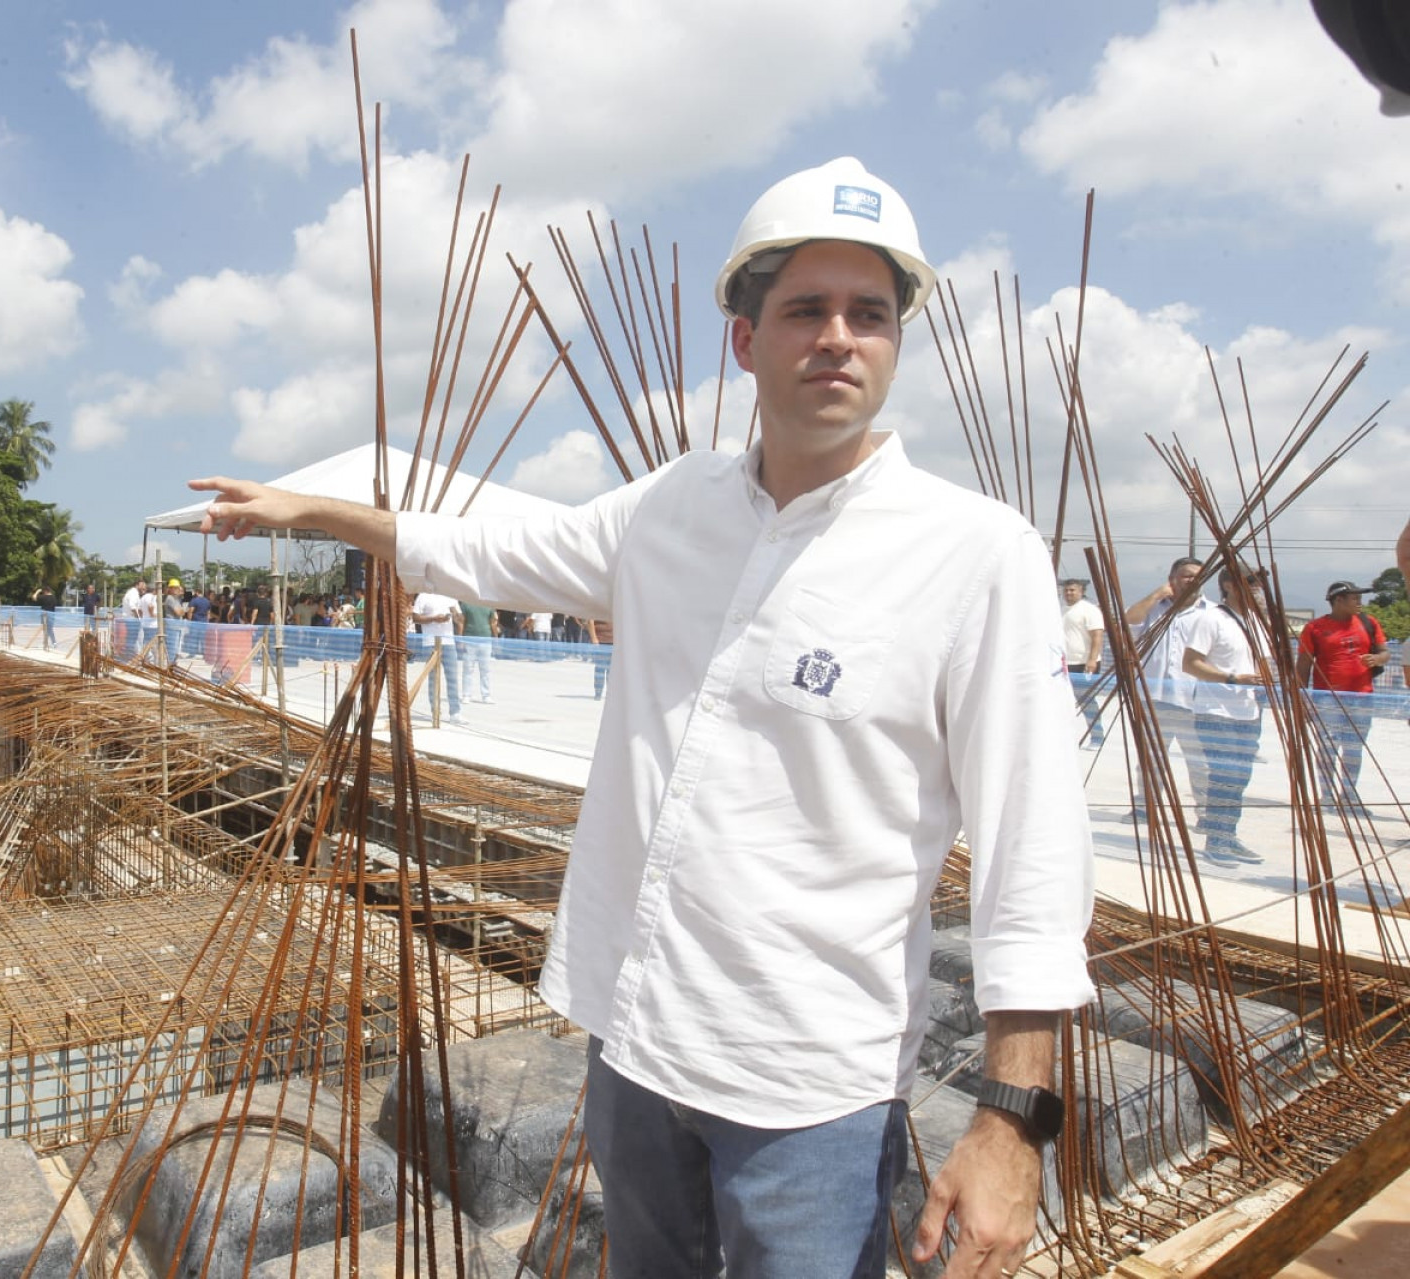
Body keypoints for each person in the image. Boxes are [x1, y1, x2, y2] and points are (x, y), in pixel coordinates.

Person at [189, 156, 1092, 1279]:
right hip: (637, 1045)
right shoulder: (671, 507)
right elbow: (482, 551)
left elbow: (1033, 851)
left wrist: (1012, 1120)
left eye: (871, 314)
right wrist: (311, 508)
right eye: (806, 309)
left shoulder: (973, 555)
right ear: (744, 338)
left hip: (809, 1089)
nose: (839, 339)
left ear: (897, 342)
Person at [1180, 570, 1270, 865]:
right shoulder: (1211, 618)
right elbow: (1191, 664)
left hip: (1248, 711)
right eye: (1250, 582)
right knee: (1223, 775)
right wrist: (1231, 678)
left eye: (1257, 583)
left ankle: (1229, 834)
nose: (1256, 588)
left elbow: (1262, 665)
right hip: (1216, 710)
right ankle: (1216, 839)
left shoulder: (1256, 622)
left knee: (1240, 777)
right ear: (1229, 585)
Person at [1124, 558, 1212, 813]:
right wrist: (1158, 594)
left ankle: (1205, 811)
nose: (1192, 580)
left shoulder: (1210, 613)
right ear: (1172, 579)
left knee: (1200, 762)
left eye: (1197, 576)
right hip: (1155, 698)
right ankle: (1146, 807)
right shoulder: (1154, 608)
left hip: (1193, 701)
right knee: (1150, 758)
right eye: (1185, 575)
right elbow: (1128, 622)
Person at [1297, 580, 1391, 809]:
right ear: (1338, 600)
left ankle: (1349, 795)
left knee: (1354, 747)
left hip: (1362, 697)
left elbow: (1384, 652)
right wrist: (1302, 699)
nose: (1360, 602)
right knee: (1328, 746)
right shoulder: (1315, 628)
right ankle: (1327, 795)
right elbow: (1303, 666)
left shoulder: (1369, 622)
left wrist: (1377, 659)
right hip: (1327, 698)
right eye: (1354, 598)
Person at [1059, 579, 1106, 747]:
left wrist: (1092, 660)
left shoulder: (1089, 610)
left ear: (1081, 591)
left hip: (1085, 663)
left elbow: (1097, 635)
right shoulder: (1063, 610)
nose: (1068, 593)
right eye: (1066, 590)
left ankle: (1097, 737)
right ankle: (1067, 738)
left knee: (1087, 701)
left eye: (1072, 590)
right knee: (1064, 701)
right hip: (1066, 663)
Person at [410, 590, 463, 724]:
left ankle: (455, 712)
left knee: (452, 678)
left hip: (449, 642)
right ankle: (435, 710)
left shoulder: (451, 596)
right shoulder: (424, 596)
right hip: (430, 643)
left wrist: (455, 614)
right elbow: (415, 618)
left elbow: (460, 620)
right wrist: (434, 619)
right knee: (433, 678)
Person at [458, 599, 499, 704]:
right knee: (468, 669)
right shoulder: (465, 604)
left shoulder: (490, 604)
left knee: (485, 669)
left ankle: (486, 695)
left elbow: (493, 622)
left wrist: (495, 639)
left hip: (485, 640)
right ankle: (467, 695)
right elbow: (462, 621)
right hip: (470, 639)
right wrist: (461, 639)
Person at [585, 615, 615, 700]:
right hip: (601, 641)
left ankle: (611, 694)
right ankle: (598, 693)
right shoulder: (598, 605)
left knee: (612, 670)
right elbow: (590, 621)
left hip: (614, 641)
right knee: (600, 668)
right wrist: (594, 638)